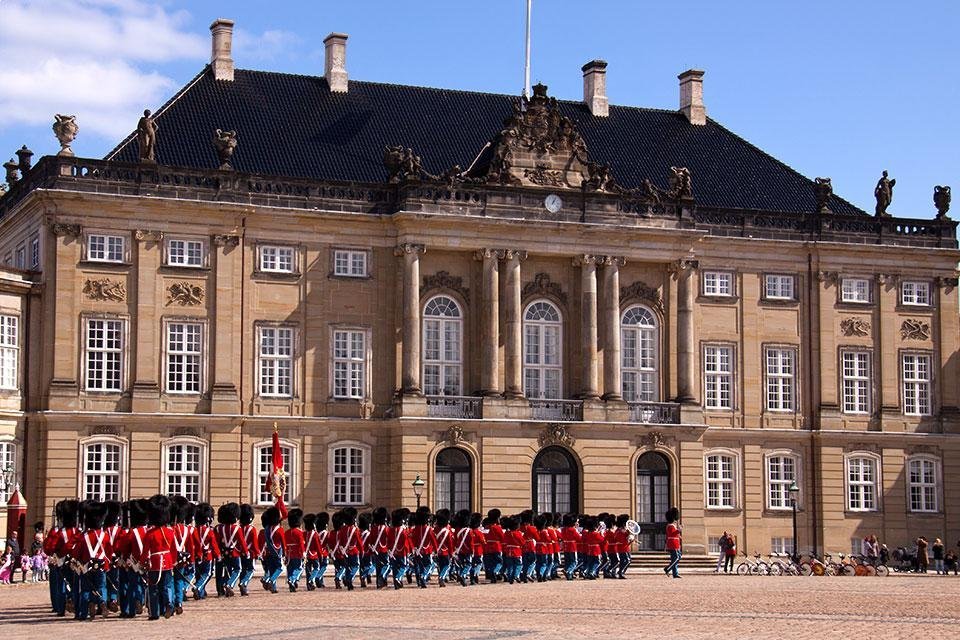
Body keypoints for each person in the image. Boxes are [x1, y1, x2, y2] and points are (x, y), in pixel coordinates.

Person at [141, 495, 175, 620]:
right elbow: (173, 549)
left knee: (153, 589)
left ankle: (154, 613)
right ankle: (169, 604)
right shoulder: (170, 532)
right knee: (166, 586)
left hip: (154, 563)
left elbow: (145, 551)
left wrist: (143, 562)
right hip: (167, 561)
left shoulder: (149, 534)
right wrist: (174, 562)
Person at [663, 507, 682, 579]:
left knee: (675, 558)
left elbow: (673, 534)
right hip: (673, 544)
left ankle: (675, 573)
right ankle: (667, 568)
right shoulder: (670, 526)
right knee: (677, 558)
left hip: (675, 543)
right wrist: (679, 530)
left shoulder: (672, 525)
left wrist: (678, 535)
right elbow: (672, 534)